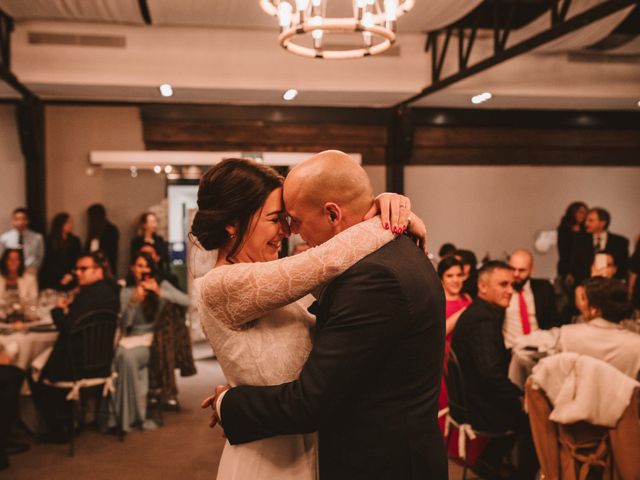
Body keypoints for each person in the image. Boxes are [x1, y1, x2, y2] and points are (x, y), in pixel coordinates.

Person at [198, 152, 444, 480]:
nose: (290, 232)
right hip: (275, 457)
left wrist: (229, 402)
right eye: (278, 219)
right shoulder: (224, 284)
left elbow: (312, 398)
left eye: (292, 220)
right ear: (234, 222)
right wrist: (387, 220)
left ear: (331, 212)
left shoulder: (372, 276)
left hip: (350, 453)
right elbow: (324, 261)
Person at [451, 261, 538, 480]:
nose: (510, 290)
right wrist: (519, 396)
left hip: (470, 399)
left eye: (512, 285)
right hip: (477, 407)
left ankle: (492, 462)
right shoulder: (483, 319)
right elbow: (490, 376)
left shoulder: (482, 311)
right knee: (537, 417)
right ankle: (504, 468)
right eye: (503, 284)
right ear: (482, 287)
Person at [30, 251, 120, 443]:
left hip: (77, 363)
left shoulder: (87, 294)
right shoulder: (109, 291)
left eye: (84, 269)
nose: (78, 273)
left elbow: (67, 328)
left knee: (35, 373)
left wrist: (57, 310)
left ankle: (58, 430)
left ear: (98, 272)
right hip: (102, 360)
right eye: (77, 269)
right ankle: (69, 421)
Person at [110, 252, 190, 432]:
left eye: (146, 266)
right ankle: (123, 416)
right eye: (139, 266)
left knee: (126, 357)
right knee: (122, 355)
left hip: (151, 342)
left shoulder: (160, 285)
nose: (143, 270)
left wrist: (159, 292)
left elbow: (187, 301)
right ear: (133, 269)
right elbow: (123, 324)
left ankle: (132, 417)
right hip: (128, 339)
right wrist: (133, 302)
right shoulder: (127, 291)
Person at [559, 277, 640, 379]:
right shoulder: (636, 344)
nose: (578, 303)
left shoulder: (567, 335)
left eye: (583, 298)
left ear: (594, 309)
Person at [503, 249, 559, 349]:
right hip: (511, 350)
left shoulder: (544, 288)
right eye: (512, 269)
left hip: (540, 348)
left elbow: (552, 321)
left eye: (521, 270)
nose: (516, 274)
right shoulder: (501, 291)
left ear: (531, 270)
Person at [570, 207, 629, 284]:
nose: (586, 223)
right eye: (586, 220)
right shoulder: (579, 240)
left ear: (602, 223)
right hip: (585, 285)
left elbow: (624, 266)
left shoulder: (620, 242)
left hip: (612, 286)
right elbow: (575, 265)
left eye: (590, 220)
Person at [39, 212, 82, 291]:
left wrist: (70, 274)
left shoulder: (75, 240)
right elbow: (48, 261)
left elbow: (78, 259)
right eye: (68, 222)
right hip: (52, 277)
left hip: (70, 276)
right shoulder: (49, 240)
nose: (70, 225)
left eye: (71, 222)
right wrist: (61, 275)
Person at [0, 208, 44, 273]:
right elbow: (2, 256)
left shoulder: (37, 237)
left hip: (30, 270)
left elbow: (40, 256)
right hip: (10, 272)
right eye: (17, 219)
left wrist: (34, 268)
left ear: (27, 220)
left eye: (23, 219)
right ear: (12, 221)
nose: (20, 222)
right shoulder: (5, 238)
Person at [0, 249, 38, 320]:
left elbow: (33, 301)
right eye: (10, 259)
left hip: (25, 319)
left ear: (20, 262)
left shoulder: (30, 279)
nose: (13, 262)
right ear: (5, 261)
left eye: (16, 259)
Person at [86, 204, 119, 276]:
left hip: (105, 267)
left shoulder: (110, 230)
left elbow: (112, 252)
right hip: (91, 267)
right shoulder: (93, 231)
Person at [556, 201, 587, 279]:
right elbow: (563, 252)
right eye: (580, 212)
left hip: (583, 268)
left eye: (585, 213)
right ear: (573, 212)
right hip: (568, 267)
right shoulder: (564, 229)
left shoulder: (586, 230)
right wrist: (568, 272)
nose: (583, 215)